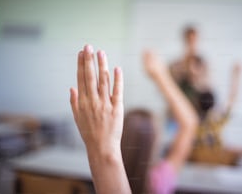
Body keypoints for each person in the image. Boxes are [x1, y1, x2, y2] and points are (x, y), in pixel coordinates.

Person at [70, 45, 199, 194]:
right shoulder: (159, 181)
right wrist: (160, 75)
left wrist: (99, 149)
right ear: (155, 144)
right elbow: (189, 124)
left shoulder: (100, 177)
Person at [170, 26, 242, 165]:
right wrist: (236, 76)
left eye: (194, 39)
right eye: (189, 39)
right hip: (185, 121)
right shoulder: (176, 66)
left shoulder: (191, 125)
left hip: (190, 122)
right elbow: (232, 100)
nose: (192, 43)